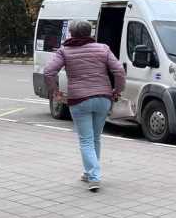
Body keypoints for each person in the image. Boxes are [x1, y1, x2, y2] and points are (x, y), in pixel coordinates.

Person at [44, 20, 125, 192]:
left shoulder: (65, 51)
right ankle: (89, 173)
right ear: (90, 33)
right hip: (103, 98)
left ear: (72, 33)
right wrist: (117, 91)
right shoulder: (103, 48)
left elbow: (49, 72)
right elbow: (119, 71)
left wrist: (55, 92)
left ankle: (94, 176)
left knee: (86, 140)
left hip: (79, 100)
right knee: (95, 138)